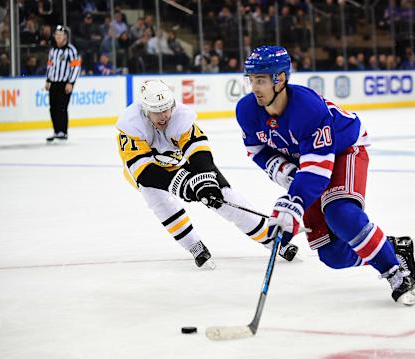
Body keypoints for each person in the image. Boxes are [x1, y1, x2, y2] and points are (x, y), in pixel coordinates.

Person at [235, 45, 415, 305]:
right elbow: (256, 149)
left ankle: (396, 272)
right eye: (251, 80)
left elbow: (317, 169)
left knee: (340, 213)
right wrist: (285, 171)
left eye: (261, 80)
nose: (254, 87)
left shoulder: (307, 108)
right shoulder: (246, 110)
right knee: (333, 255)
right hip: (307, 163)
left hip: (344, 149)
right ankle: (391, 248)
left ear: (280, 79)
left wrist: (295, 202)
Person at [116, 79, 299, 268]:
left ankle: (272, 241)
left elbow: (200, 152)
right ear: (146, 112)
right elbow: (144, 172)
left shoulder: (180, 116)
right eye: (156, 111)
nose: (163, 116)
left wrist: (206, 182)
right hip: (150, 170)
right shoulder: (130, 127)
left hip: (180, 160)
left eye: (166, 109)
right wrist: (187, 186)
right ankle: (193, 245)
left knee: (226, 198)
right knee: (161, 202)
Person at [45, 25, 81, 142]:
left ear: (65, 37)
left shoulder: (71, 50)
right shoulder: (53, 50)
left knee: (62, 107)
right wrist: (48, 80)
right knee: (53, 107)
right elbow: (50, 66)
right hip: (54, 83)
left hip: (65, 83)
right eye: (56, 35)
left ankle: (63, 131)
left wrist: (71, 82)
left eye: (60, 36)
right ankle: (56, 131)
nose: (58, 38)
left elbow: (76, 68)